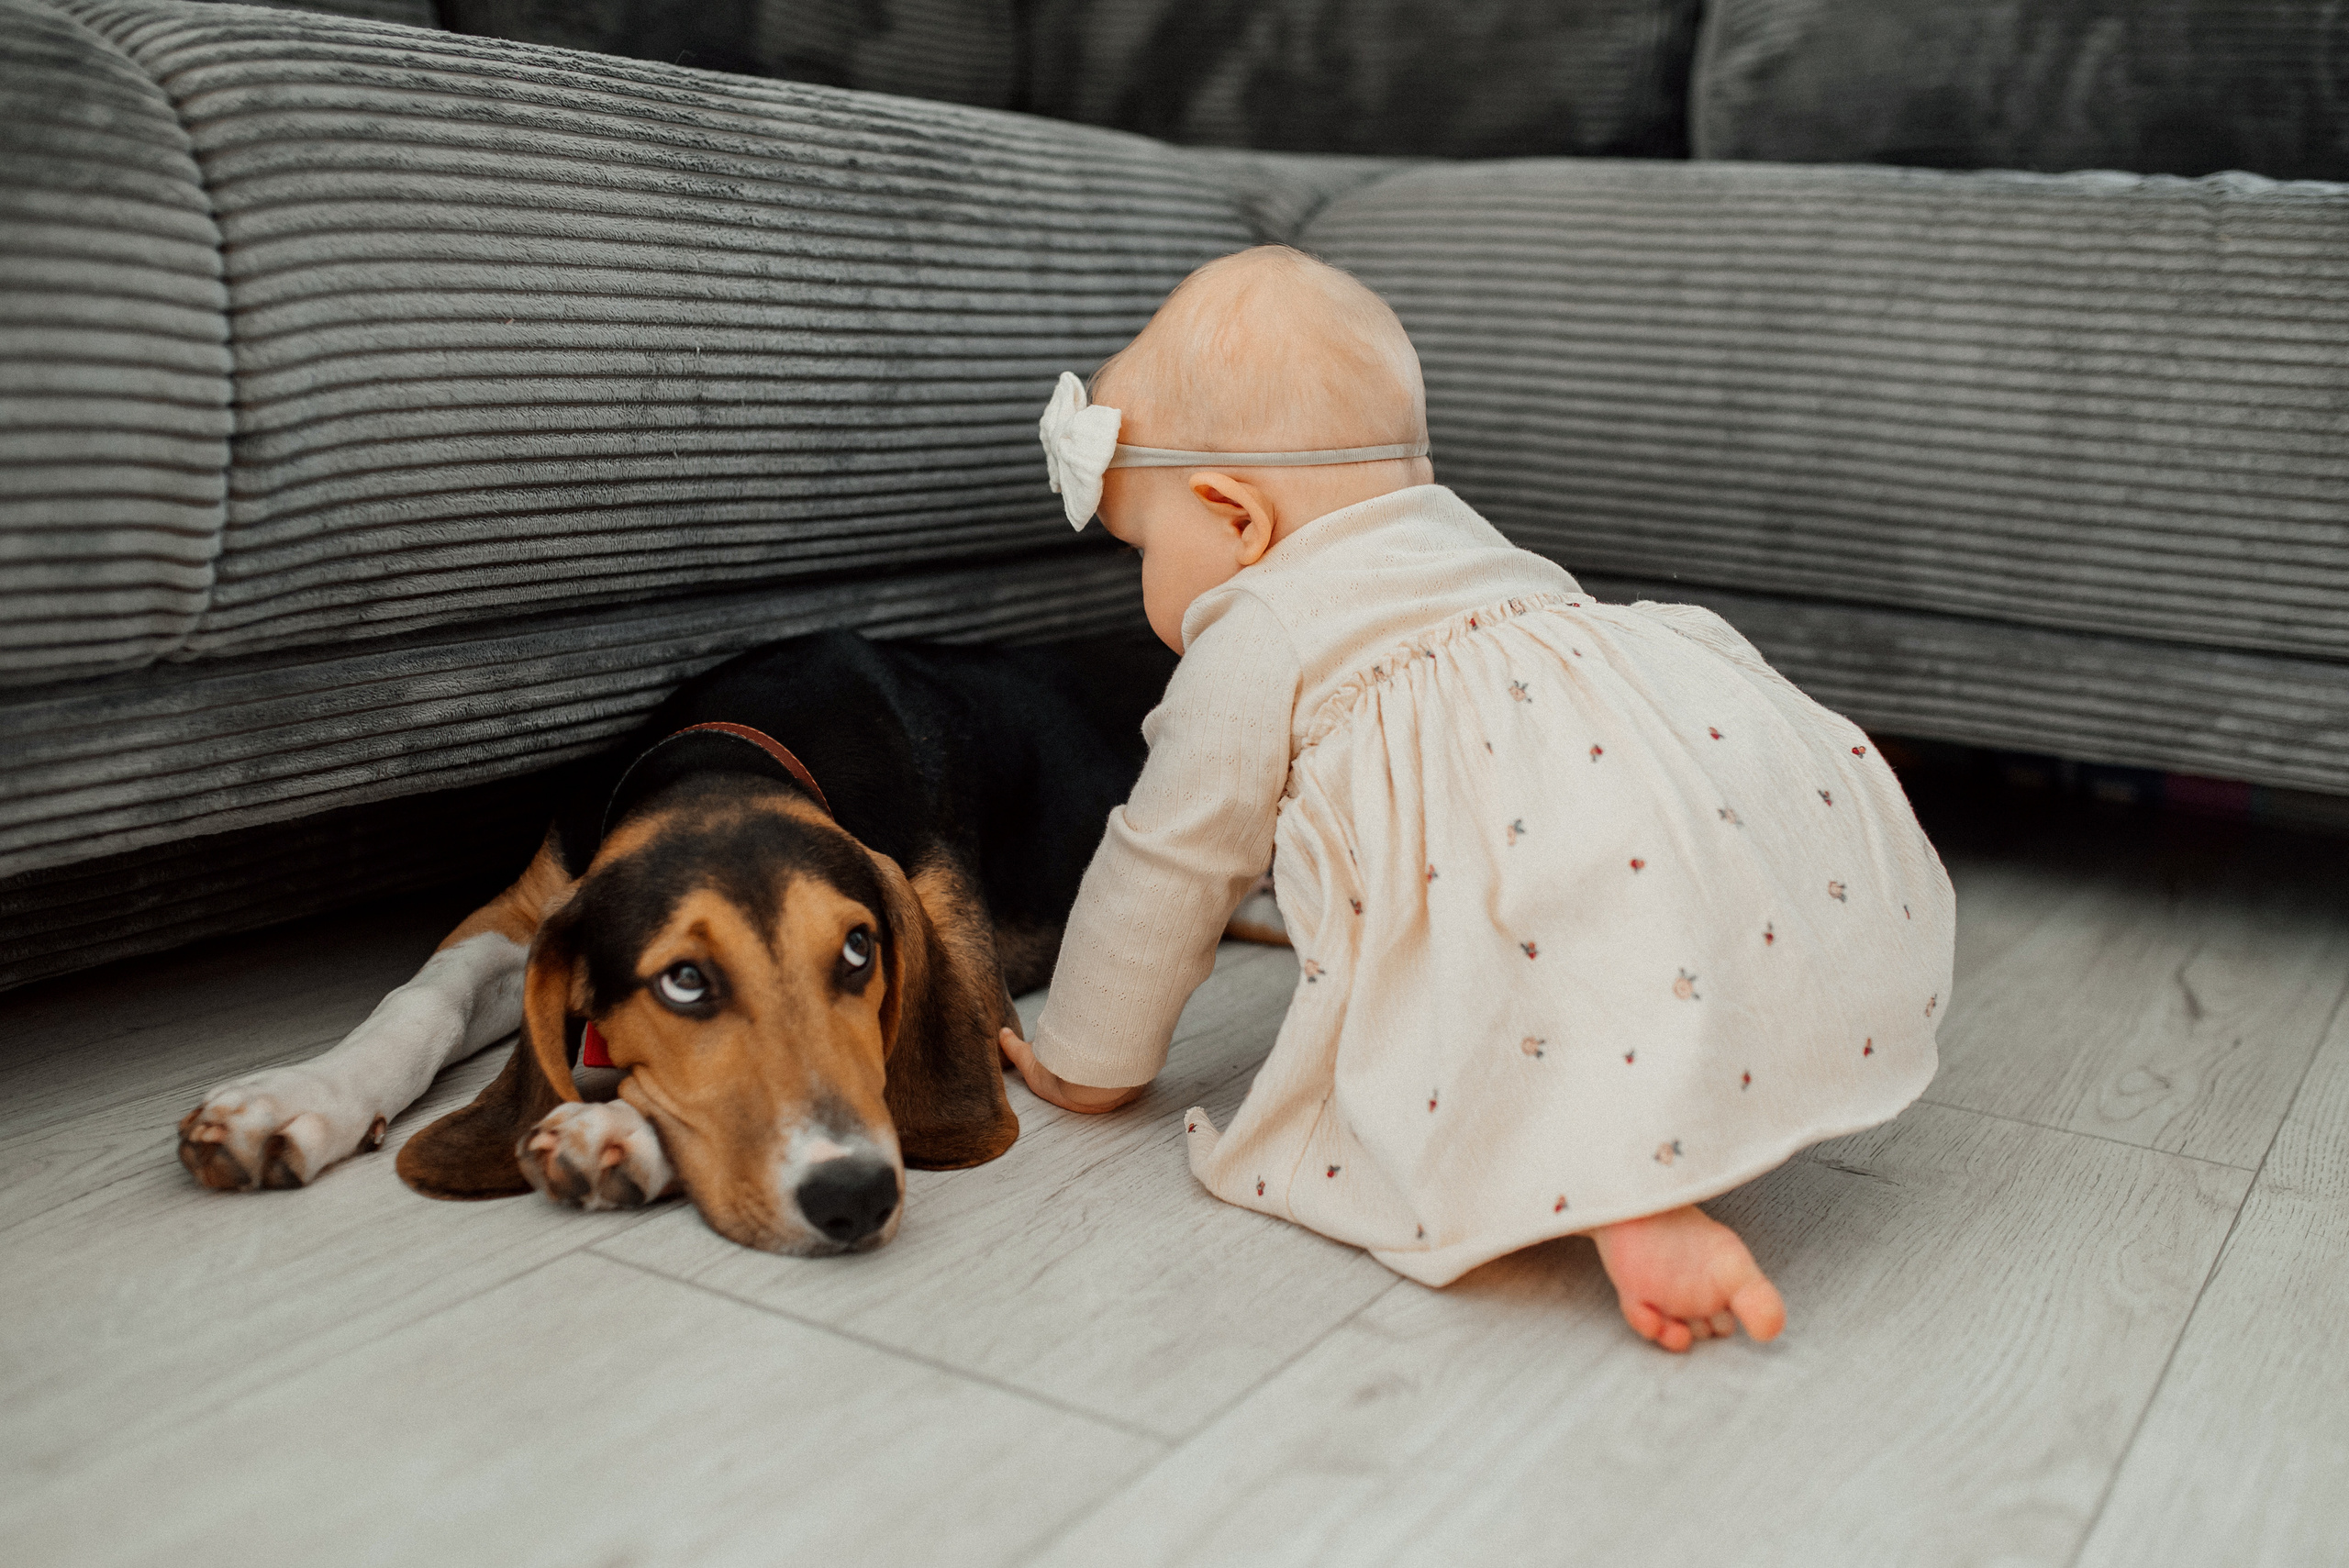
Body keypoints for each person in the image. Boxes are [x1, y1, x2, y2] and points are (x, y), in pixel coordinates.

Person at [997, 245, 1953, 1351]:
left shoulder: (1257, 630)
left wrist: (1086, 1058)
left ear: (1234, 517)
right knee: (1612, 931)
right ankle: (1761, 1045)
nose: (1143, 581)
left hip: (1504, 843)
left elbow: (1164, 864)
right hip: (1667, 771)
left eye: (1143, 547)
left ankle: (1634, 1202)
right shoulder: (1476, 548)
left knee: (1491, 982)